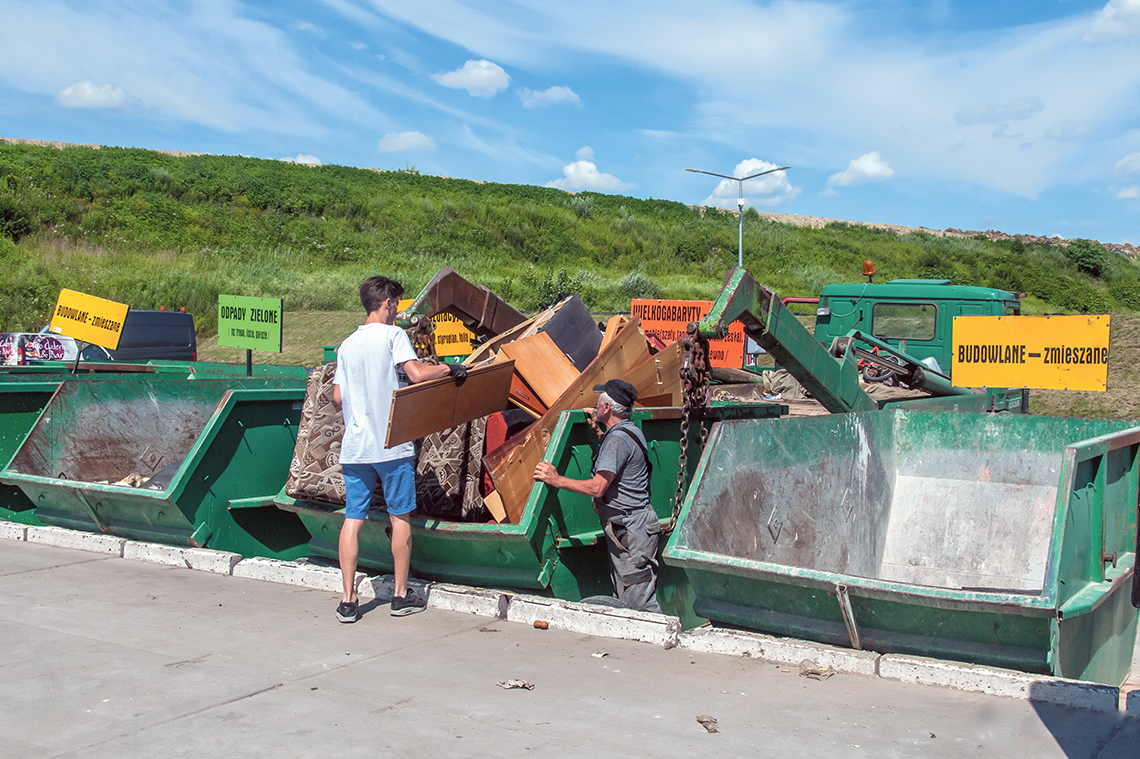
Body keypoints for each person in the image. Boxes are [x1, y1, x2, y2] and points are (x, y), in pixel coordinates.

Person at [332, 275, 466, 622]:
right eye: (396, 306)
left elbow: (336, 397)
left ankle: (348, 601)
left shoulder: (346, 345)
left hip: (355, 448)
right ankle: (400, 595)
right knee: (399, 517)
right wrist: (449, 368)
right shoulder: (394, 335)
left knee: (353, 519)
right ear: (389, 304)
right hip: (392, 446)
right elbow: (418, 375)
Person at [533, 378, 662, 613]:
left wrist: (555, 479)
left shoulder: (617, 439)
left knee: (639, 603)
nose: (595, 406)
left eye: (598, 402)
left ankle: (665, 643)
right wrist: (597, 433)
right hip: (634, 528)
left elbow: (597, 488)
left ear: (606, 408)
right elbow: (619, 455)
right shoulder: (629, 431)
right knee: (628, 597)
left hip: (630, 531)